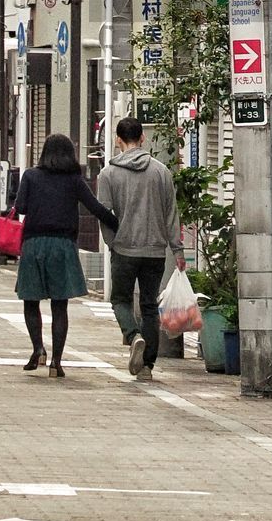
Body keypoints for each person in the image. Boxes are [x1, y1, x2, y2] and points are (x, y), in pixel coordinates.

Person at [14, 134, 116, 379]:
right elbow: (95, 208)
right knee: (60, 306)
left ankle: (38, 349)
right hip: (63, 246)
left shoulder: (30, 176)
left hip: (34, 244)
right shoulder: (74, 180)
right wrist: (118, 224)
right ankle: (56, 363)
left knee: (31, 300)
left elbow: (21, 207)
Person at [97, 116, 184, 383]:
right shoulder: (161, 172)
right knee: (149, 305)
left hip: (124, 249)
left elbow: (104, 213)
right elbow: (171, 214)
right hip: (156, 251)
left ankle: (134, 336)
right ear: (143, 138)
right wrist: (177, 250)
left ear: (118, 140)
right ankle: (147, 366)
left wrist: (113, 242)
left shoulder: (108, 174)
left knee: (120, 300)